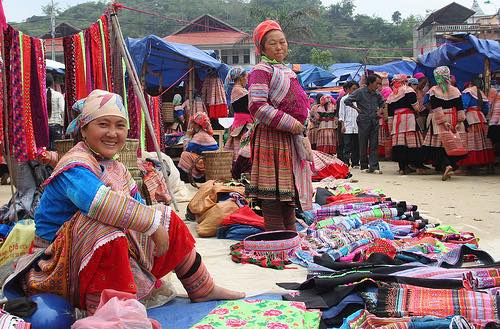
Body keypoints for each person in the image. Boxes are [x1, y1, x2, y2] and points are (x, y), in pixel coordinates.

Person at [25, 90, 243, 315]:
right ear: (84, 129)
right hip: (57, 262)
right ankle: (108, 312)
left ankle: (202, 288)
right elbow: (100, 204)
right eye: (103, 124)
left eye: (120, 125)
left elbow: (138, 208)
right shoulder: (75, 165)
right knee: (104, 225)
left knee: (164, 216)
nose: (112, 133)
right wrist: (151, 225)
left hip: (98, 253)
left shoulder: (116, 167)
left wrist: (155, 224)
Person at [247, 20, 312, 231]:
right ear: (262, 48)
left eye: (282, 42)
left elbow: (300, 101)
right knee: (272, 192)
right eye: (273, 43)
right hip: (271, 137)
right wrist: (291, 123)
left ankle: (290, 235)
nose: (279, 47)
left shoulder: (288, 71)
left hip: (289, 138)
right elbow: (257, 106)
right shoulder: (261, 70)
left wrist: (303, 123)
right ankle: (276, 236)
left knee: (288, 190)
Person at [423, 66, 466, 181]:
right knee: (452, 143)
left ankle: (447, 165)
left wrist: (443, 121)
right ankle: (451, 165)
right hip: (454, 117)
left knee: (437, 146)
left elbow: (436, 108)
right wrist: (459, 121)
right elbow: (460, 108)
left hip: (439, 120)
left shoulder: (434, 90)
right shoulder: (456, 90)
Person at [344, 74, 385, 174]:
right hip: (363, 120)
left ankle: (374, 166)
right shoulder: (360, 92)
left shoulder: (377, 94)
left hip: (374, 120)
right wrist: (356, 109)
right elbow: (347, 100)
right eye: (377, 83)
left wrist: (380, 110)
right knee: (363, 143)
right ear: (370, 83)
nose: (379, 86)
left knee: (374, 144)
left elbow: (382, 103)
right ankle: (364, 165)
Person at [386, 74, 424, 175]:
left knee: (400, 143)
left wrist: (390, 128)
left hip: (396, 121)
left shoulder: (391, 96)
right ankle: (415, 165)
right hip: (408, 119)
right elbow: (416, 107)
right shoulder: (408, 91)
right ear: (404, 81)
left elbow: (390, 115)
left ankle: (402, 167)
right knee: (412, 142)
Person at [459, 78, 494, 169]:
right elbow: (486, 109)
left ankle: (469, 163)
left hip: (471, 117)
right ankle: (482, 162)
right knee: (481, 141)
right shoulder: (482, 94)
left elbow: (464, 105)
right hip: (481, 117)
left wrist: (461, 117)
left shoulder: (468, 91)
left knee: (470, 140)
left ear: (470, 83)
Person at [178, 112, 219, 182]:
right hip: (209, 160)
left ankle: (187, 178)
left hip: (204, 161)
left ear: (197, 125)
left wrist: (188, 136)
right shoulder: (205, 133)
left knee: (185, 155)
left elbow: (188, 148)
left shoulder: (200, 135)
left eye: (193, 123)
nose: (192, 125)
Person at [224, 66, 252, 162]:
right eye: (246, 77)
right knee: (243, 150)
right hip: (243, 125)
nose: (247, 80)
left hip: (242, 123)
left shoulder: (239, 89)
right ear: (241, 78)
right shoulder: (238, 90)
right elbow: (251, 105)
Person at [338, 81, 360, 168]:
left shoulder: (359, 99)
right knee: (347, 145)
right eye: (353, 89)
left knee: (356, 145)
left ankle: (355, 162)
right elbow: (341, 114)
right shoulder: (344, 99)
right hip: (347, 125)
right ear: (349, 89)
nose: (355, 91)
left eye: (356, 89)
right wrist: (343, 125)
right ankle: (346, 161)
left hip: (357, 125)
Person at [47, 74, 65, 150]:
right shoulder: (58, 95)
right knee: (56, 149)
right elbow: (62, 110)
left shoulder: (40, 96)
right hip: (56, 124)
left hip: (44, 126)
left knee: (46, 149)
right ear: (53, 83)